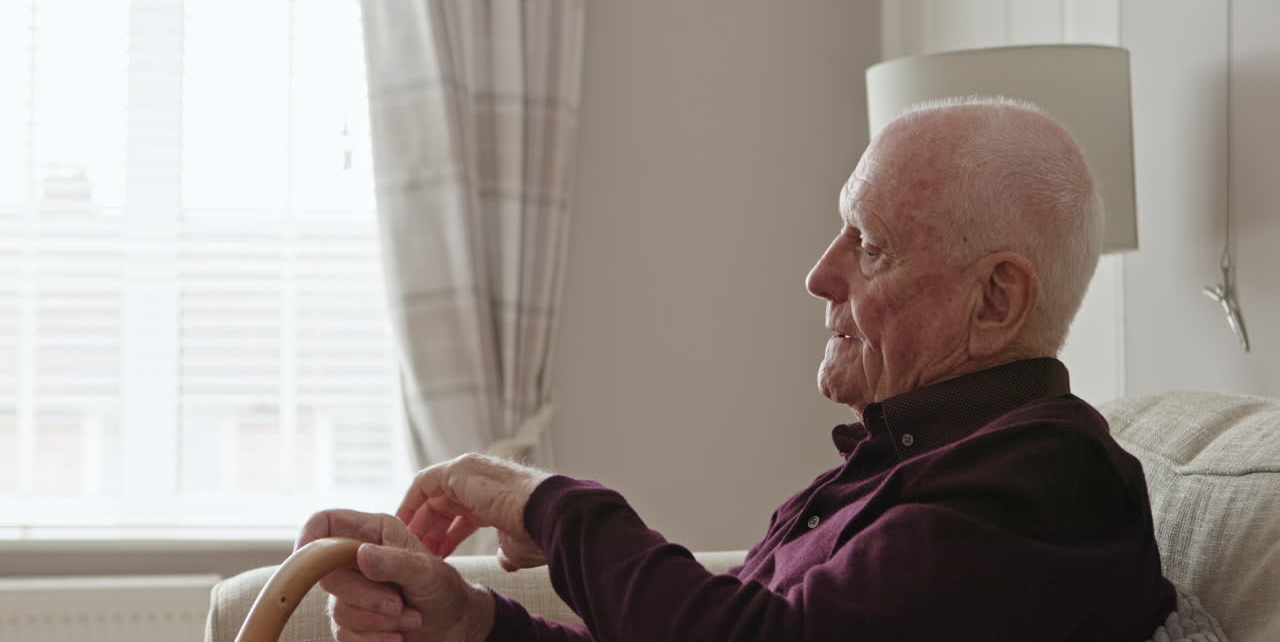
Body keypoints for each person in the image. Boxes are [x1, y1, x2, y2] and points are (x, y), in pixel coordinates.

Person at [297, 98, 1177, 641]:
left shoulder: (1050, 482)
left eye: (868, 245)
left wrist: (545, 502)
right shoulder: (896, 466)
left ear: (996, 302)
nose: (818, 274)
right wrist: (471, 624)